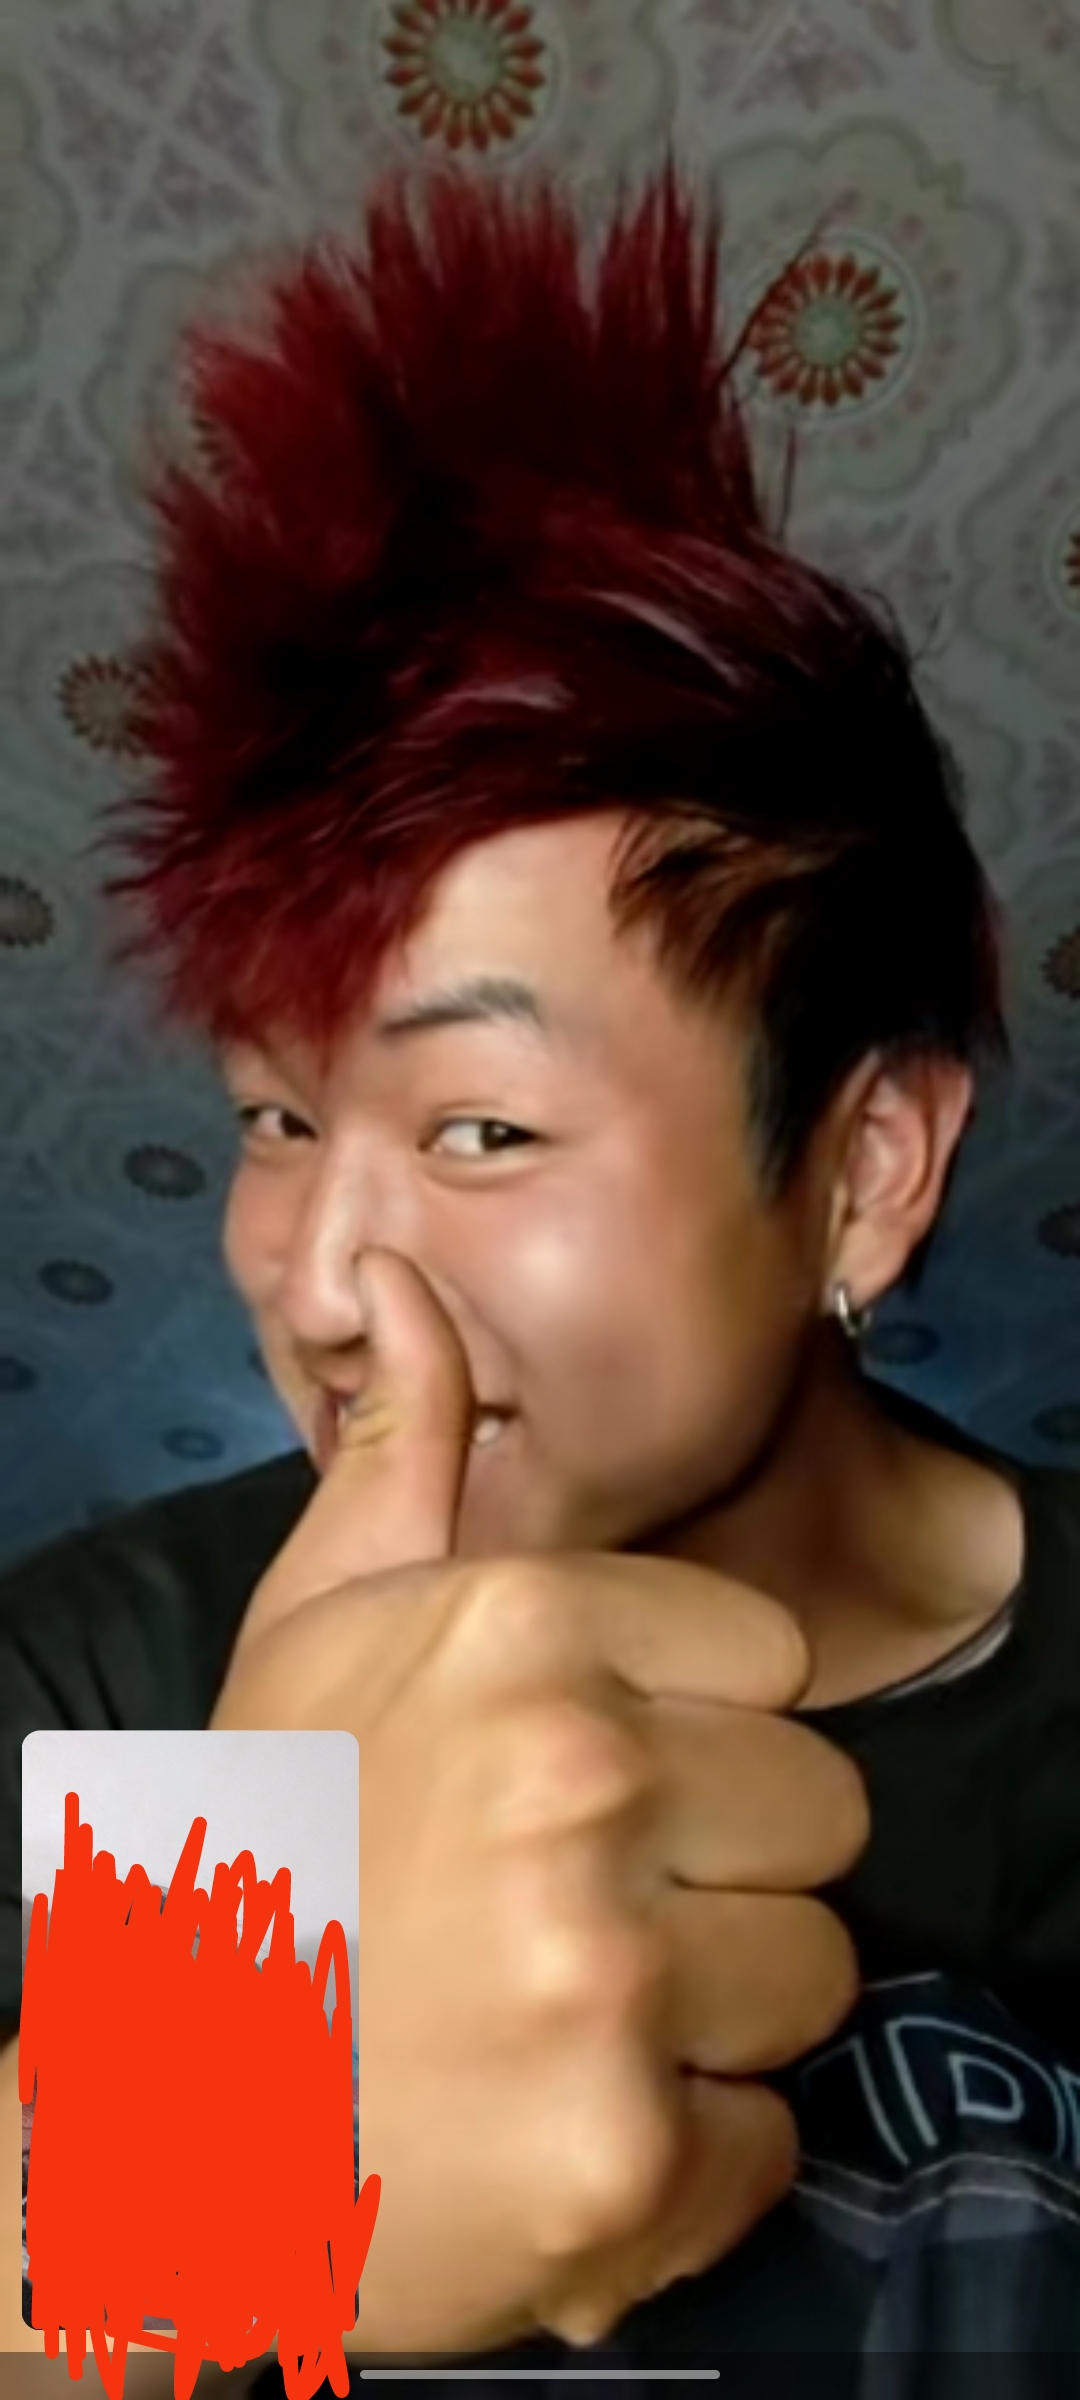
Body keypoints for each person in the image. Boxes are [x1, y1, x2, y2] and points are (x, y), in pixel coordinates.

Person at [2, 162, 1080, 2388]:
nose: (318, 1284)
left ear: (863, 1174)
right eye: (275, 1120)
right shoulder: (115, 1673)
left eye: (479, 1129)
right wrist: (176, 2180)